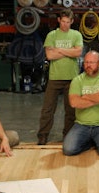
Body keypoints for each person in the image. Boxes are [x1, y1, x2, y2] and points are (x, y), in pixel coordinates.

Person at [37, 8, 83, 145]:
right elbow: (50, 55)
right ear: (59, 20)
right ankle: (43, 135)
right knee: (48, 109)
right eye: (63, 21)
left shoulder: (76, 35)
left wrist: (60, 50)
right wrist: (70, 51)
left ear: (72, 22)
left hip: (72, 78)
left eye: (68, 22)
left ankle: (68, 136)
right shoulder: (52, 35)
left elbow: (78, 53)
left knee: (71, 110)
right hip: (55, 77)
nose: (65, 25)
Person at [62, 50, 99, 157]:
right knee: (68, 150)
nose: (88, 65)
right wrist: (98, 98)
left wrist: (85, 97)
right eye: (86, 62)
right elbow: (74, 103)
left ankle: (98, 140)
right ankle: (92, 142)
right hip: (82, 124)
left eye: (92, 62)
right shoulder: (77, 80)